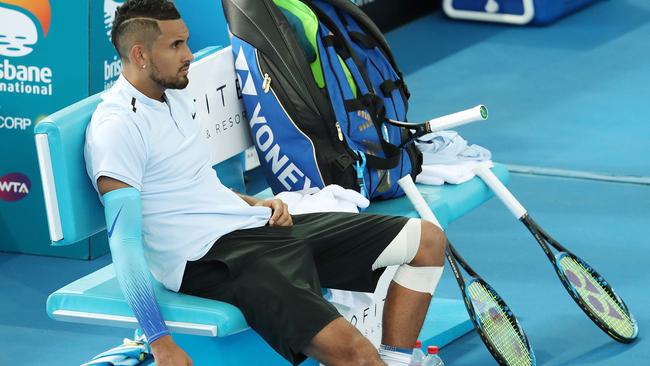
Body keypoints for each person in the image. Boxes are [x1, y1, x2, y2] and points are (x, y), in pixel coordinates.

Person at [85, 1, 446, 365]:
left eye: (186, 42)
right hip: (212, 260)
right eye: (175, 45)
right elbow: (125, 241)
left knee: (427, 241)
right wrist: (159, 340)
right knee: (356, 355)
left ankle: (399, 361)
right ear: (140, 55)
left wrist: (252, 203)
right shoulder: (117, 127)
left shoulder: (172, 95)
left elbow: (188, 187)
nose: (189, 54)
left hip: (256, 228)